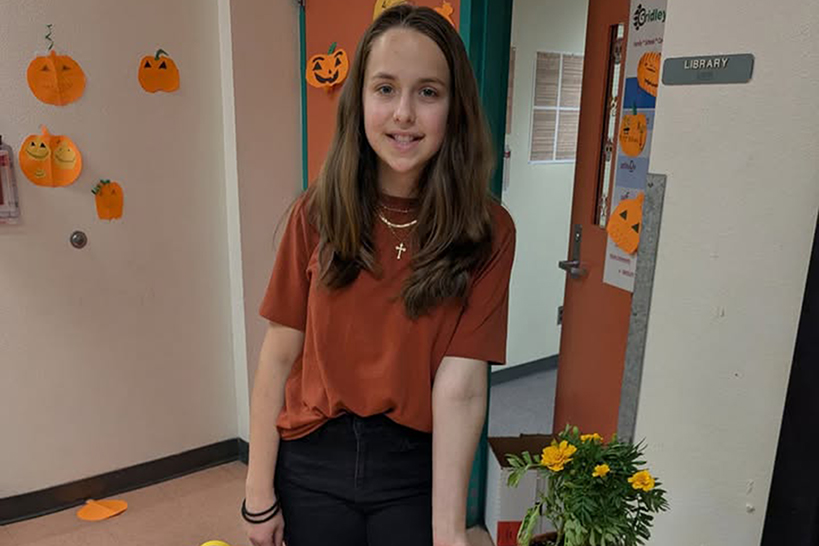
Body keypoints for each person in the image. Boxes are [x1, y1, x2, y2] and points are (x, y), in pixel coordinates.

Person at [242, 5, 515, 546]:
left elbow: (460, 388)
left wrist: (450, 531)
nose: (404, 114)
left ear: (453, 107)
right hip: (313, 457)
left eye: (428, 93)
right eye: (385, 89)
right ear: (360, 100)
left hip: (414, 468)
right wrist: (257, 495)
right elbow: (278, 357)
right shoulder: (317, 212)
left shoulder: (488, 230)